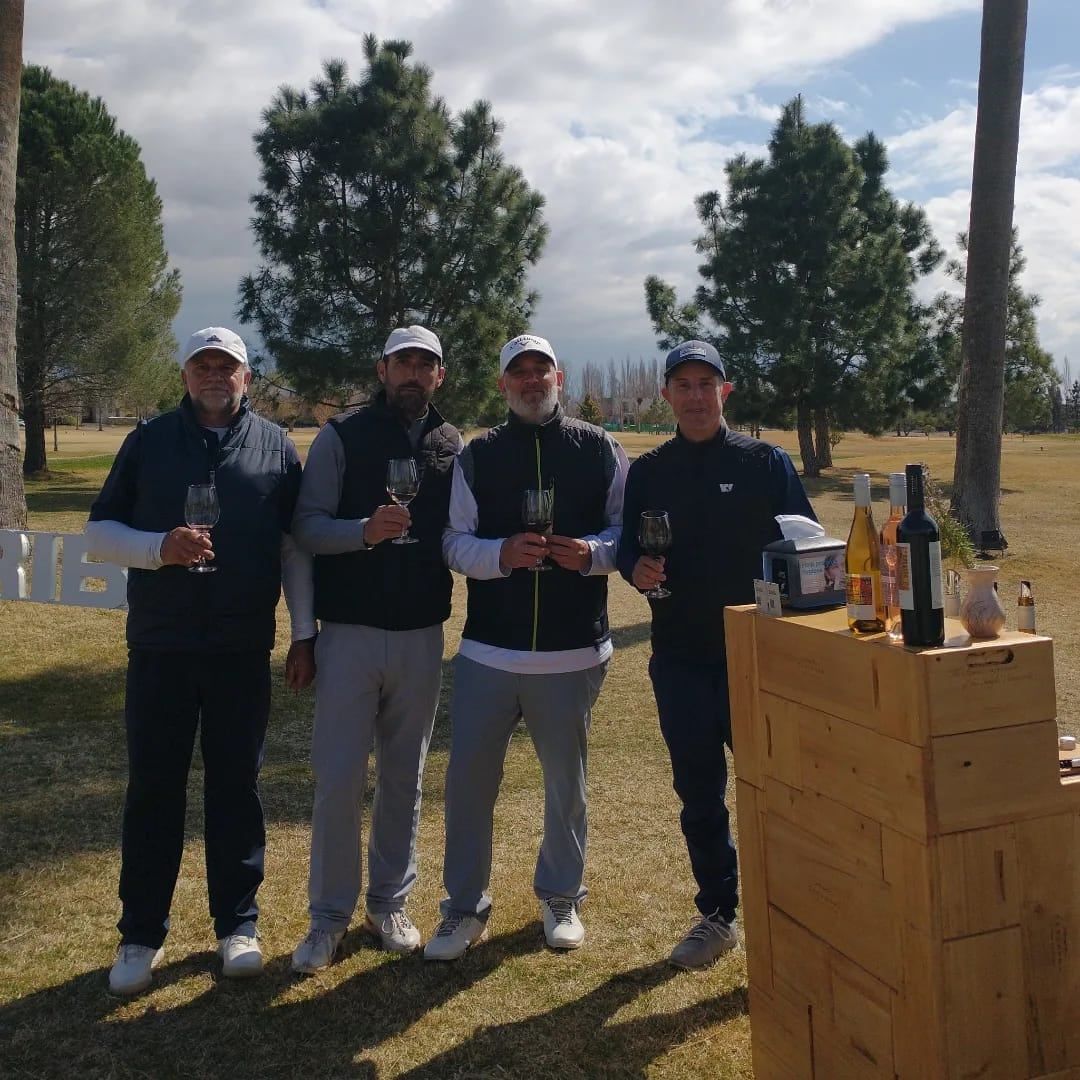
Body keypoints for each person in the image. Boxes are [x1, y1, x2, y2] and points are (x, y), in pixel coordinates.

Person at [86, 326, 316, 995]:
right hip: (161, 645)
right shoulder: (149, 441)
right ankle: (141, 933)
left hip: (241, 648)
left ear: (248, 377)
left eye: (229, 366)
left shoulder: (276, 446)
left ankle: (237, 924)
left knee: (236, 788)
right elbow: (98, 533)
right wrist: (160, 546)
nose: (216, 374)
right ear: (185, 375)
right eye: (203, 364)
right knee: (154, 788)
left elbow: (292, 549)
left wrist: (304, 634)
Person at [424, 333, 628, 961]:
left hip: (572, 653)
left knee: (567, 785)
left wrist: (593, 554)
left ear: (558, 379)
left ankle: (562, 895)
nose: (532, 380)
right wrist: (501, 556)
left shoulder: (599, 449)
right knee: (468, 787)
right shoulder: (477, 457)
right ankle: (463, 908)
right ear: (502, 384)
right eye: (520, 372)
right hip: (490, 651)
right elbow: (453, 542)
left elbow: (625, 531)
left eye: (542, 370)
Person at [616, 340, 815, 969]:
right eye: (685, 385)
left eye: (708, 384)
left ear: (725, 393)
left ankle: (797, 915)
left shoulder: (765, 462)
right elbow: (627, 548)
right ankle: (719, 915)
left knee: (777, 790)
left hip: (756, 655)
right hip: (679, 657)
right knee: (699, 793)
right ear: (667, 395)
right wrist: (635, 568)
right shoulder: (649, 471)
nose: (697, 396)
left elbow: (807, 548)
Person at [289, 326, 462, 972]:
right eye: (403, 362)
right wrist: (363, 533)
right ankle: (327, 918)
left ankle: (389, 901)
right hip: (351, 636)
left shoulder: (451, 444)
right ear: (382, 369)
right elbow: (305, 527)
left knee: (404, 777)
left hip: (421, 636)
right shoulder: (342, 437)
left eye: (426, 364)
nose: (414, 373)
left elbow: (460, 531)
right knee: (338, 779)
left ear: (439, 375)